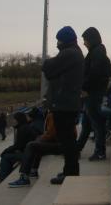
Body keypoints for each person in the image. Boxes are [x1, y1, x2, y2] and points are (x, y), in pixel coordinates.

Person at [42, 25, 84, 185]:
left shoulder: (69, 53)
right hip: (67, 103)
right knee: (68, 140)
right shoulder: (73, 52)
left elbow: (48, 68)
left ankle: (71, 173)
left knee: (67, 141)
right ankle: (70, 171)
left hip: (65, 105)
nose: (57, 43)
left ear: (64, 40)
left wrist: (49, 64)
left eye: (59, 40)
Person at [76, 27, 111, 161]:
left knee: (96, 124)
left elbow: (94, 74)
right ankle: (78, 148)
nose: (84, 43)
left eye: (85, 40)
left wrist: (84, 86)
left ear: (91, 39)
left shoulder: (97, 53)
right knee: (87, 124)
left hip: (94, 94)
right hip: (93, 93)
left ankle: (100, 151)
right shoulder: (98, 52)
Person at [7, 112, 65, 188]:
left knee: (31, 145)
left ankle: (24, 177)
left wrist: (40, 138)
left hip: (61, 145)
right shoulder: (58, 113)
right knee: (36, 145)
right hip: (64, 143)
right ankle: (33, 171)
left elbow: (51, 133)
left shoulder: (53, 114)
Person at [0, 112, 38, 185]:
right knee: (9, 154)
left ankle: (2, 178)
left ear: (18, 120)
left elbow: (18, 145)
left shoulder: (23, 129)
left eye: (14, 120)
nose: (12, 121)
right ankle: (4, 175)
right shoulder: (25, 126)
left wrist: (5, 151)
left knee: (5, 156)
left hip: (28, 154)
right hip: (30, 152)